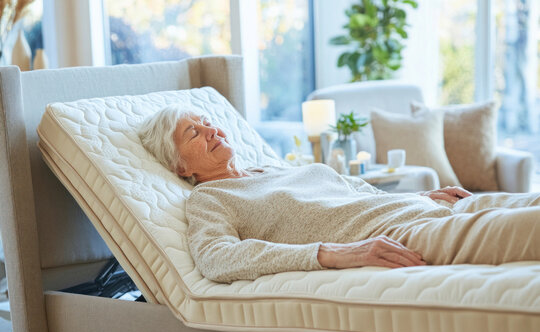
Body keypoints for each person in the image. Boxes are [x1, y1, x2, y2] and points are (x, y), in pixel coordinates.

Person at [139, 105, 540, 283]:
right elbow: (217, 258)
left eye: (209, 122)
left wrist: (428, 195)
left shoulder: (275, 169)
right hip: (406, 236)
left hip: (428, 208)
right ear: (180, 167)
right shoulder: (210, 200)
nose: (212, 131)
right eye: (194, 132)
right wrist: (328, 253)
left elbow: (355, 191)